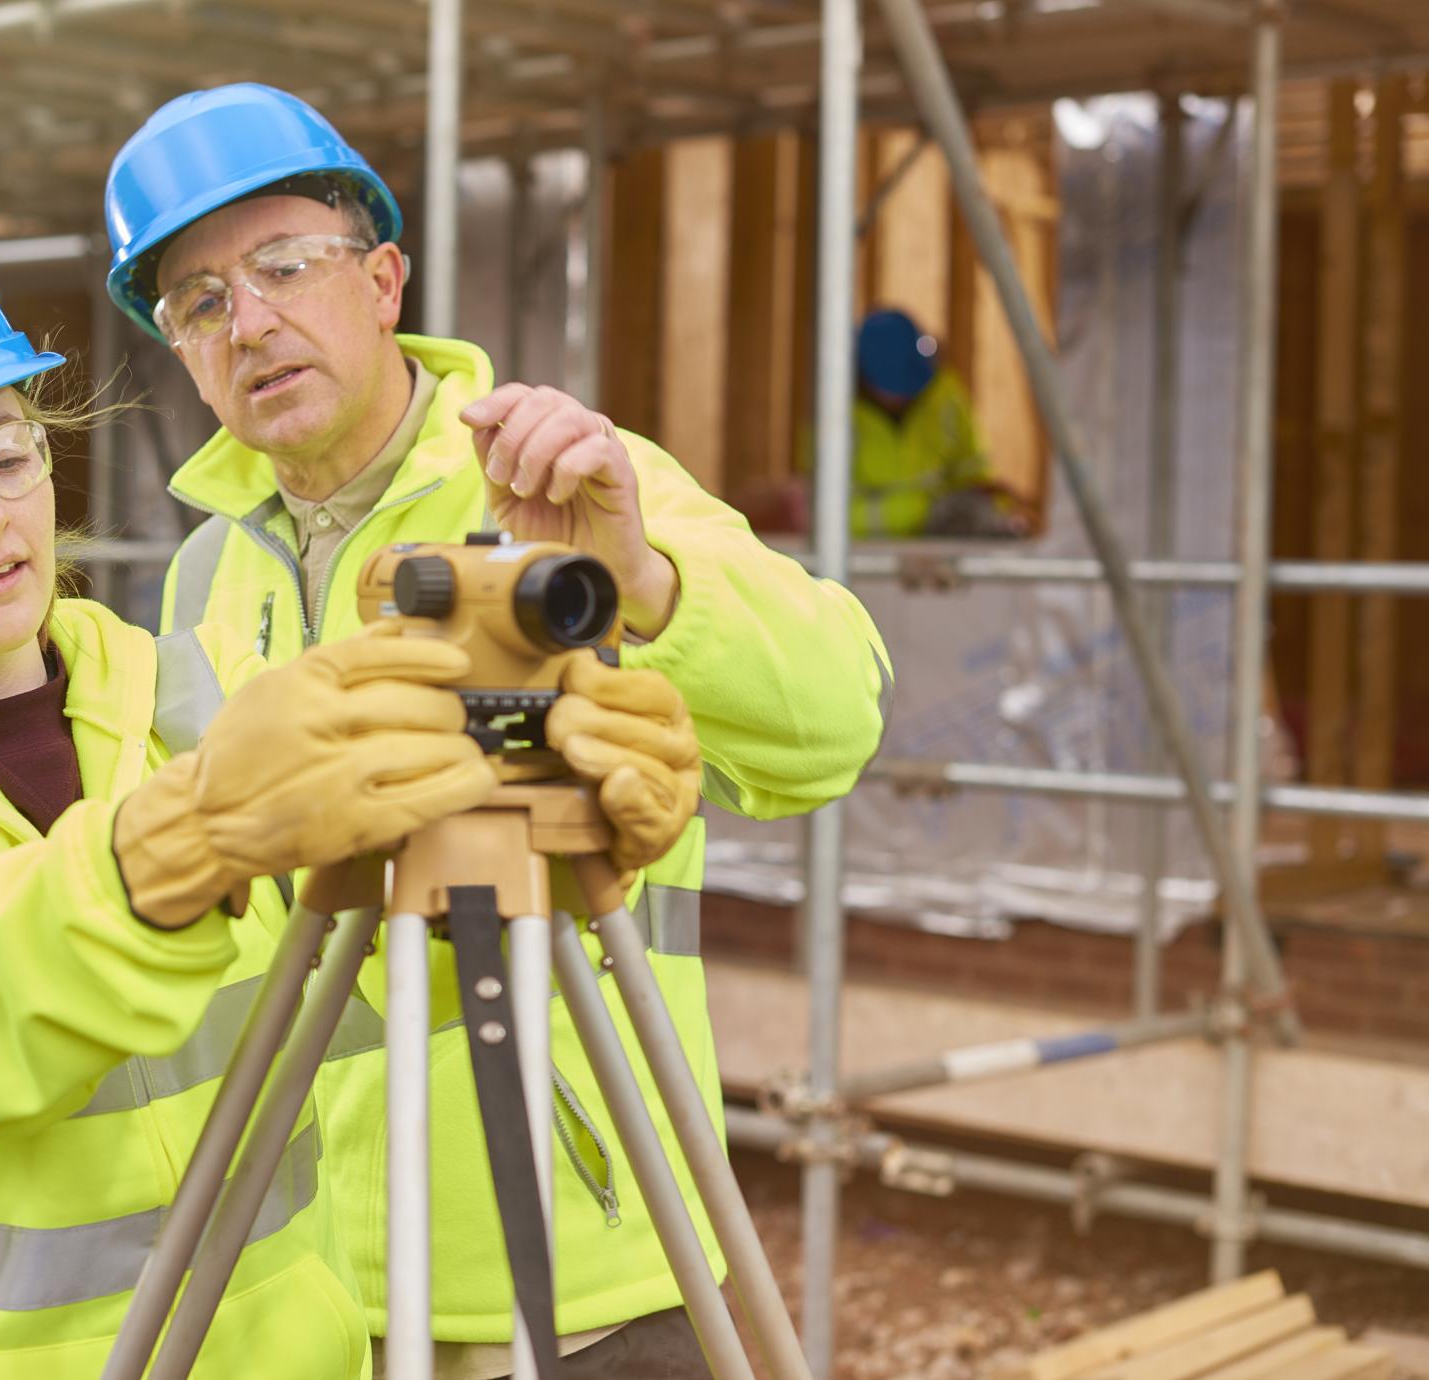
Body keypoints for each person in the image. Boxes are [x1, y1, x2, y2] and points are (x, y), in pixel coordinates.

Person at [104, 85, 894, 1379]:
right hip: (299, 1278)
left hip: (580, 1272)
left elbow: (833, 723)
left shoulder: (565, 486)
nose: (249, 321)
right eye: (198, 301)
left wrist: (642, 578)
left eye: (284, 265)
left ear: (384, 279)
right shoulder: (201, 577)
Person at [0, 237, 530, 1380]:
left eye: (8, 456)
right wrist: (171, 848)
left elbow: (361, 983)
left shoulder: (194, 692)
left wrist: (530, 826)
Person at [833, 308, 1025, 539]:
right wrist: (924, 511)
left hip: (943, 545)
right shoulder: (836, 413)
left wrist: (992, 507)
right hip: (863, 553)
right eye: (893, 385)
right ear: (864, 377)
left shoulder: (944, 397)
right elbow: (827, 511)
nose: (905, 395)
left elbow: (973, 473)